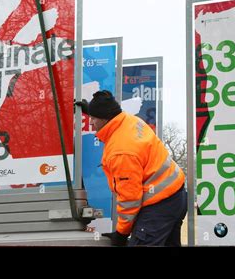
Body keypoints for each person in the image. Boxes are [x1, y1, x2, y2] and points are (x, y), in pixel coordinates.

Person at [76, 90, 187, 246]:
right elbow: (110, 114)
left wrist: (121, 234)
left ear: (105, 119)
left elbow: (130, 199)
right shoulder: (129, 120)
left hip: (159, 203)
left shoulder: (121, 151)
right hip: (176, 196)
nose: (91, 122)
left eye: (93, 118)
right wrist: (94, 111)